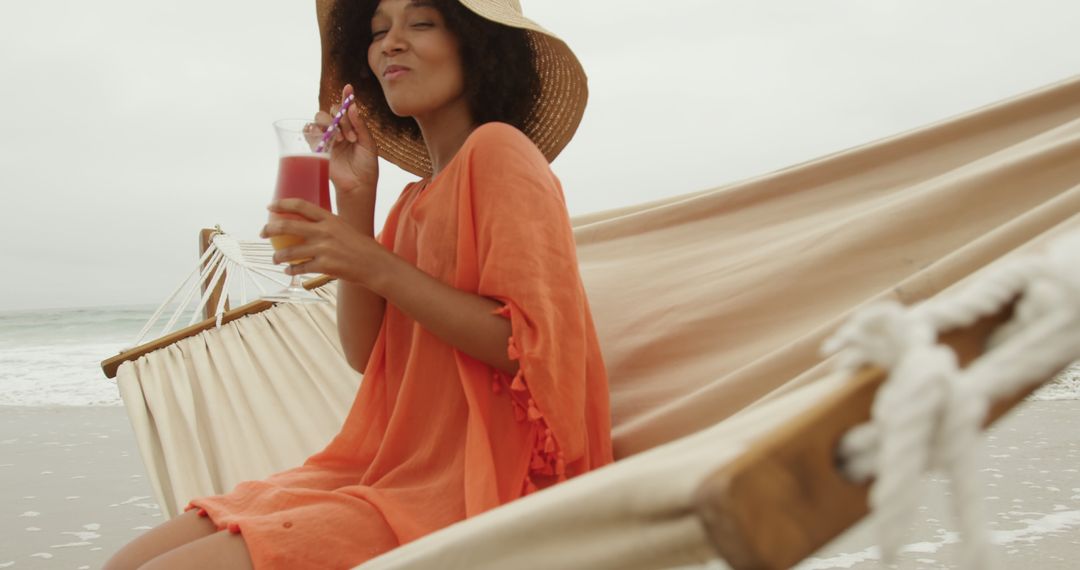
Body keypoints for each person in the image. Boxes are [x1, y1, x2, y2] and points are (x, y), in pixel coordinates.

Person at [104, 0, 613, 568]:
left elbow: (533, 352)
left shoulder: (499, 152)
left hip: (484, 482)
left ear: (478, 44)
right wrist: (356, 198)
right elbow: (364, 351)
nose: (390, 44)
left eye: (420, 23)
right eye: (377, 32)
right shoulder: (413, 199)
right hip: (390, 468)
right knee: (126, 563)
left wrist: (371, 261)